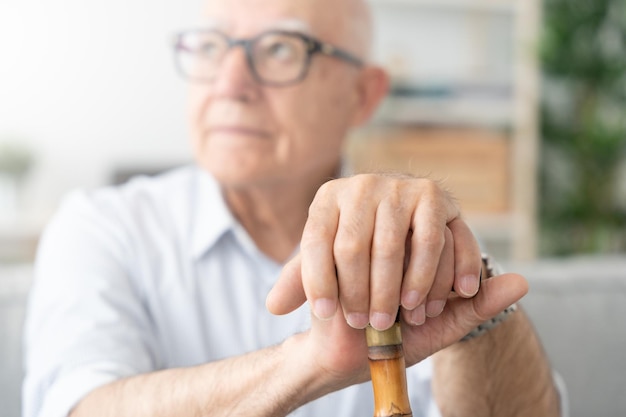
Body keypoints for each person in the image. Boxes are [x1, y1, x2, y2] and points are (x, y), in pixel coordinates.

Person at [23, 0, 563, 416]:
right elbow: (79, 406)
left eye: (281, 48)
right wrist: (308, 363)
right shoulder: (101, 228)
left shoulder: (411, 227)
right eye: (212, 47)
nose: (230, 84)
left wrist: (468, 309)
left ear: (362, 95)